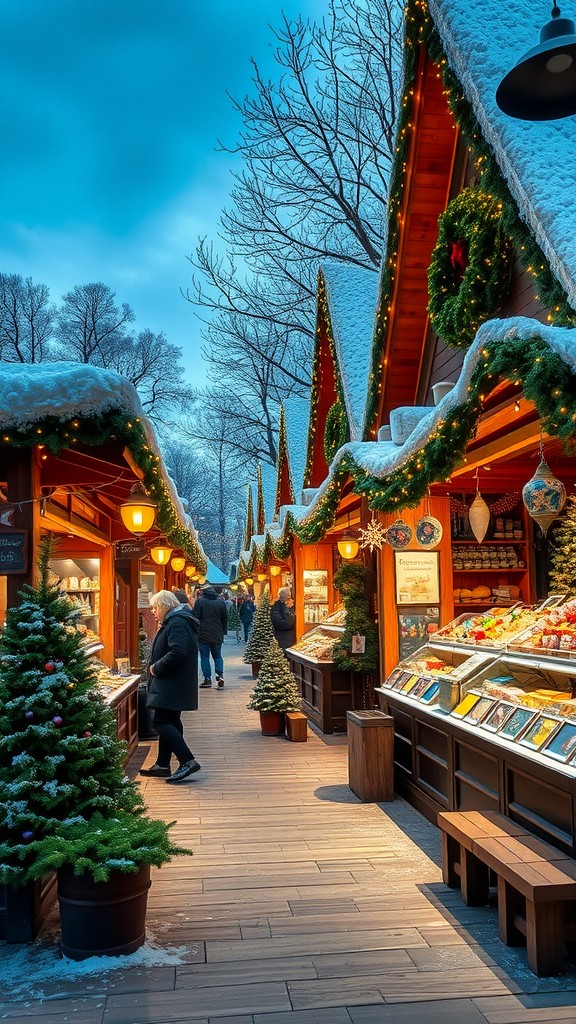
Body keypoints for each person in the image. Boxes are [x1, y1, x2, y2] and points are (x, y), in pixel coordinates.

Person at [139, 589, 201, 783]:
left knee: (159, 721)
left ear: (163, 606)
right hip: (174, 681)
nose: (153, 612)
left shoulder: (177, 623)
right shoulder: (176, 620)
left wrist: (156, 668)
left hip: (172, 681)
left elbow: (178, 651)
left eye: (154, 608)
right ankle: (162, 764)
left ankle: (187, 760)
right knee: (171, 720)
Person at [195, 584, 228, 688]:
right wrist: (223, 632)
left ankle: (207, 679)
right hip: (217, 633)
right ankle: (220, 676)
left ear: (203, 592)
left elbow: (195, 617)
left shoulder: (200, 602)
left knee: (204, 657)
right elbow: (225, 619)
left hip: (203, 634)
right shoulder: (220, 602)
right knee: (217, 656)